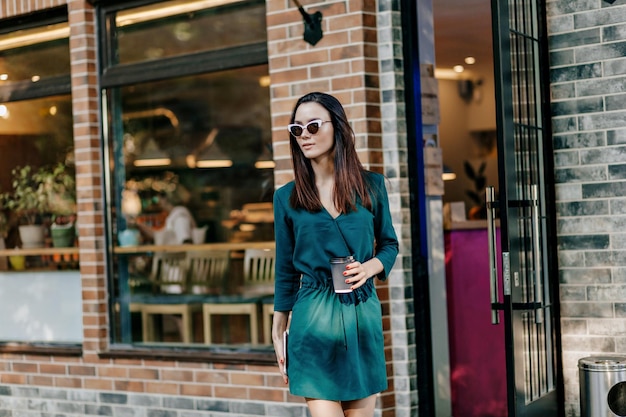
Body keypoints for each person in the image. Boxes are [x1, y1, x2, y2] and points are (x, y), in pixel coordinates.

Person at [272, 92, 399, 417]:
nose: (305, 136)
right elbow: (286, 268)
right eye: (297, 129)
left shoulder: (372, 186)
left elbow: (389, 245)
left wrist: (369, 268)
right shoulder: (287, 198)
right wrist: (278, 324)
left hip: (360, 314)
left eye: (313, 126)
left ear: (337, 127)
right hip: (312, 317)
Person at [132, 191, 197, 245]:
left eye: (158, 199)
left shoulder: (180, 216)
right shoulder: (173, 216)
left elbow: (186, 242)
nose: (158, 202)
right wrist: (139, 224)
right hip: (175, 258)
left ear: (165, 199)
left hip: (178, 259)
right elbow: (158, 235)